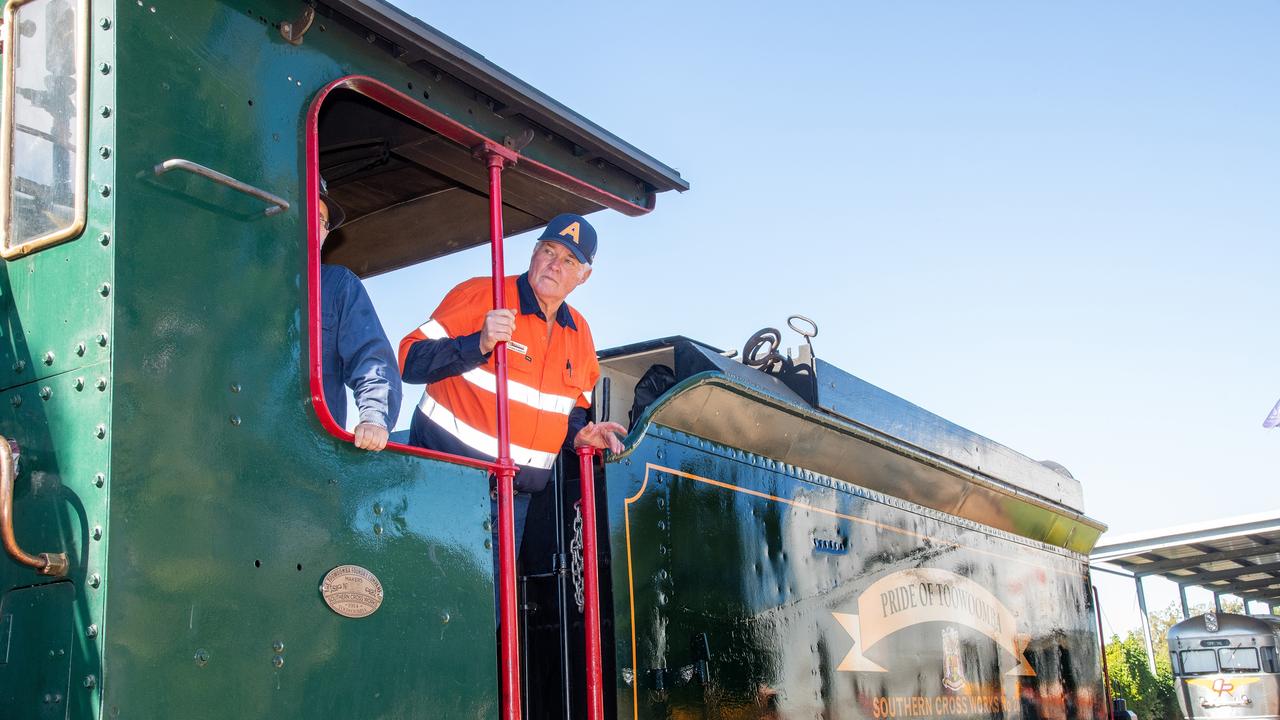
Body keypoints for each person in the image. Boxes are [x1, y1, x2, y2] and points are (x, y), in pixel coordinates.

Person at [398, 213, 625, 551]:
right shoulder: (479, 295)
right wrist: (477, 344)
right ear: (533, 252)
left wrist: (578, 434)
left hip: (512, 505)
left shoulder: (581, 335)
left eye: (568, 260)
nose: (554, 265)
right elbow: (409, 361)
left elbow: (570, 409)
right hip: (444, 487)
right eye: (549, 251)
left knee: (493, 605)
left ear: (584, 276)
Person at [318, 179, 402, 451]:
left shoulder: (337, 284)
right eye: (308, 213)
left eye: (323, 221)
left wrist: (374, 417)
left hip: (306, 454)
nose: (317, 226)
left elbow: (371, 359)